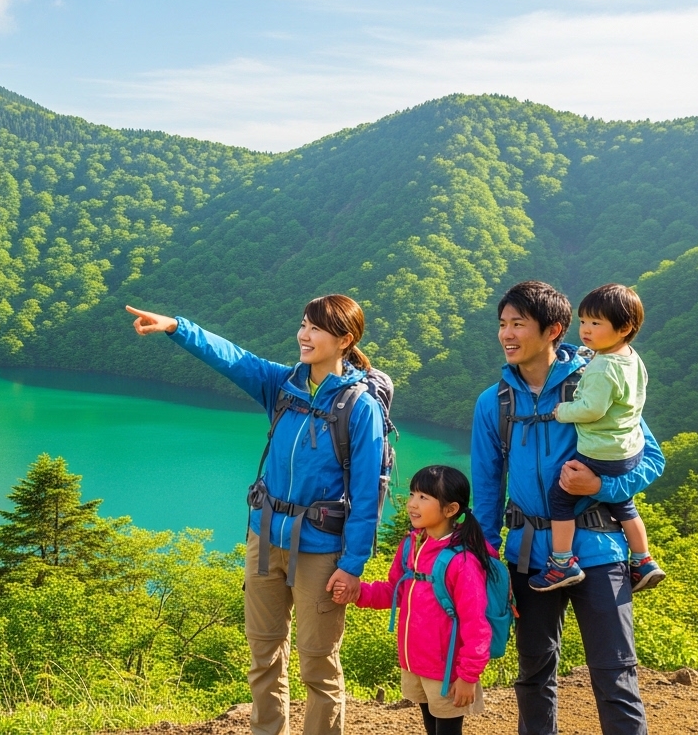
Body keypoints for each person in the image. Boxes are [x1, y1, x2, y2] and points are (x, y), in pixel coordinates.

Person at [127, 297, 385, 735]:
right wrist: (176, 327)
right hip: (265, 538)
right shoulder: (283, 385)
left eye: (316, 329)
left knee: (318, 663)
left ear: (345, 340)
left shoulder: (360, 408)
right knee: (263, 654)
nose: (304, 336)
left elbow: (366, 496)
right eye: (303, 325)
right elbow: (232, 358)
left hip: (321, 549)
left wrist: (353, 565)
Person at [469, 280, 665, 735]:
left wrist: (603, 484)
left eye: (519, 324)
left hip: (598, 548)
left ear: (553, 330)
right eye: (503, 324)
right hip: (529, 556)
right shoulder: (494, 402)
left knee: (615, 672)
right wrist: (485, 555)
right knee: (534, 674)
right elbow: (488, 488)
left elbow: (651, 458)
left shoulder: (596, 380)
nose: (507, 334)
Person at [341, 465, 492, 735]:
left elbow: (476, 624)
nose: (412, 503)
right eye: (412, 494)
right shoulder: (412, 545)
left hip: (447, 669)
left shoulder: (462, 561)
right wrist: (359, 592)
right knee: (430, 727)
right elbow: (395, 591)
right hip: (416, 662)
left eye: (423, 497)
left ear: (450, 509)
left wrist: (468, 676)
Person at [533, 284, 665, 593]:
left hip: (600, 451)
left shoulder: (603, 367)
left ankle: (562, 562)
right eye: (583, 321)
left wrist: (562, 411)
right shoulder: (629, 357)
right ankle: (643, 560)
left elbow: (591, 410)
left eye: (596, 323)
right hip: (628, 449)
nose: (586, 330)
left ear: (625, 328)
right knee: (623, 503)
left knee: (560, 497)